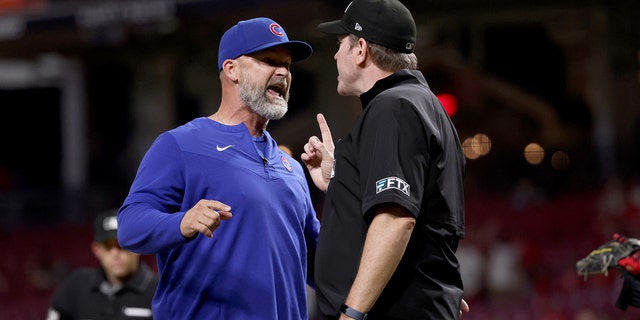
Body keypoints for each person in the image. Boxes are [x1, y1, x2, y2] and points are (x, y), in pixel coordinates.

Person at [116, 17, 320, 319]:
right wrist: (182, 223)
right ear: (231, 69)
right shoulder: (180, 145)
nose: (283, 72)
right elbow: (130, 225)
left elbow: (323, 265)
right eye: (268, 60)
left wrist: (341, 189)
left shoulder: (292, 168)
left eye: (287, 65)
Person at [301, 0, 468, 318]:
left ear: (360, 49)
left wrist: (352, 313)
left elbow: (396, 219)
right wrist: (340, 182)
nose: (336, 55)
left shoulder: (394, 108)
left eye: (340, 44)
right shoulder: (421, 104)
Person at [47, 210, 158, 320]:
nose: (115, 254)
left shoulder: (158, 291)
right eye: (108, 246)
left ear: (137, 246)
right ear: (97, 250)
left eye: (122, 244)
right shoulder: (77, 285)